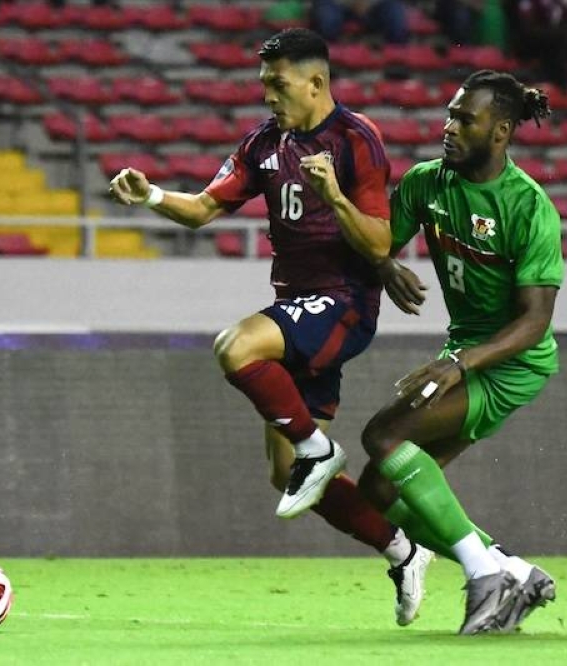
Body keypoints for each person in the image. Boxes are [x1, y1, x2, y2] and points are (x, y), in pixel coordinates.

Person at [109, 28, 434, 627]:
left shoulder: (356, 140)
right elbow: (204, 208)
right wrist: (151, 193)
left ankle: (318, 448)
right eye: (263, 84)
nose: (267, 96)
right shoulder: (264, 142)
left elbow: (382, 241)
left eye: (277, 85)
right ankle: (404, 552)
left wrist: (333, 195)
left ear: (316, 82)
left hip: (344, 304)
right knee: (284, 474)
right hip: (299, 307)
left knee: (235, 347)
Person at [283, 69, 562, 634]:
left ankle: (485, 578)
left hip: (510, 364)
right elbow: (376, 246)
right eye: (450, 114)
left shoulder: (528, 207)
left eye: (465, 119)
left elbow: (534, 323)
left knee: (383, 437)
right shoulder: (427, 183)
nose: (449, 127)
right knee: (380, 490)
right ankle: (514, 571)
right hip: (464, 352)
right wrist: (383, 262)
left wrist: (458, 365)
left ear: (501, 132)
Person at [309, 0, 409, 45]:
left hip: (372, 5)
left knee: (395, 14)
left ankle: (396, 66)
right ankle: (328, 62)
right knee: (328, 20)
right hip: (336, 3)